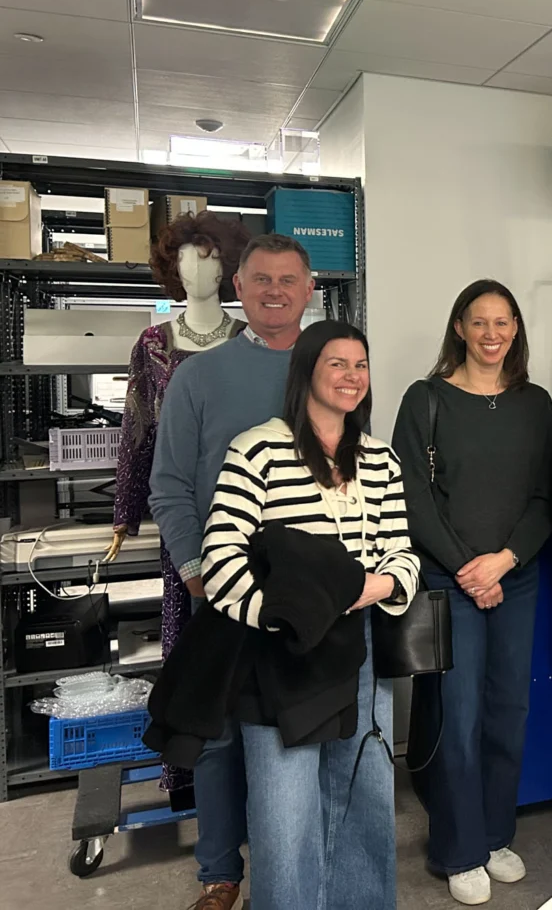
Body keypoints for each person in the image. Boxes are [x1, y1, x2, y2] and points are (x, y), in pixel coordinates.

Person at [199, 320, 420, 910]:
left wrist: (365, 590)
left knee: (362, 797)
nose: (352, 377)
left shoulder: (380, 459)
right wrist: (286, 617)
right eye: (337, 364)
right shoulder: (258, 449)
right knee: (284, 813)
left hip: (360, 649)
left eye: (361, 365)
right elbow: (221, 560)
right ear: (306, 372)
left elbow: (402, 555)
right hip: (280, 656)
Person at [149, 233, 317, 910]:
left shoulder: (335, 370)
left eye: (288, 279)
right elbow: (168, 485)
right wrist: (195, 570)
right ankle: (220, 873)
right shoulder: (199, 375)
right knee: (217, 735)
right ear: (238, 288)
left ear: (310, 289)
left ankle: (293, 866)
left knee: (300, 729)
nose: (274, 290)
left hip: (312, 592)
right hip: (221, 587)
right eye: (261, 279)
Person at [393, 281, 552, 907]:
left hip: (516, 578)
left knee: (507, 712)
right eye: (479, 322)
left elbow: (547, 498)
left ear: (515, 328)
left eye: (504, 322)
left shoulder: (535, 404)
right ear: (459, 328)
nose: (492, 334)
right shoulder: (426, 399)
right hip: (450, 580)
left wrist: (506, 559)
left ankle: (494, 836)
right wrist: (469, 569)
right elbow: (414, 497)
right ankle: (457, 849)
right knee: (455, 719)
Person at [111, 211, 249, 801]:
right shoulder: (152, 345)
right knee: (190, 646)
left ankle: (251, 772)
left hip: (250, 512)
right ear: (173, 267)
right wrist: (125, 512)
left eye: (213, 256)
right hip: (184, 517)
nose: (202, 268)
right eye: (191, 257)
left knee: (249, 643)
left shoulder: (249, 342)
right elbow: (137, 430)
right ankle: (189, 775)